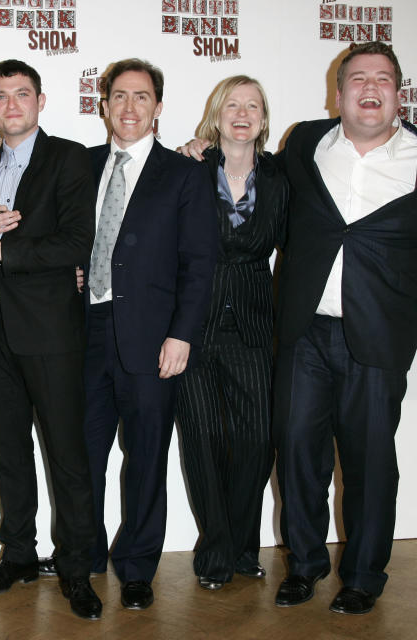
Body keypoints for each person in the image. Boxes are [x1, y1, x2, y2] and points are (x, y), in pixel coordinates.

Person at [270, 42, 417, 614]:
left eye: (383, 78)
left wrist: (406, 324)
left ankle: (362, 576)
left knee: (371, 464)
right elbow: (260, 191)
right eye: (357, 78)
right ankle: (304, 566)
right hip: (303, 333)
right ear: (339, 93)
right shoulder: (304, 142)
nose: (369, 88)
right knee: (299, 454)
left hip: (379, 343)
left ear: (398, 94)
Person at [0, 59, 102, 620]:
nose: (12, 104)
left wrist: (5, 252)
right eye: (1, 96)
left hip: (51, 330)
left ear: (41, 101)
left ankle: (76, 566)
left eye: (23, 94)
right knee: (10, 450)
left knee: (67, 454)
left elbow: (77, 241)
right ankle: (19, 554)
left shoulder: (70, 157)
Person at [82, 59, 218, 610]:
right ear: (104, 104)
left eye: (142, 97)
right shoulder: (80, 165)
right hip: (83, 333)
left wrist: (182, 334)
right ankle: (83, 552)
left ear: (158, 107)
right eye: (119, 96)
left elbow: (200, 262)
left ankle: (137, 564)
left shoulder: (183, 174)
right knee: (81, 454)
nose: (129, 107)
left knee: (146, 456)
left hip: (153, 336)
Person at [172, 75, 287, 592]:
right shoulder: (188, 169)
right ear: (215, 115)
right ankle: (216, 549)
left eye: (253, 106)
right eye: (232, 105)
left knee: (257, 439)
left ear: (264, 119)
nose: (242, 114)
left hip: (257, 320)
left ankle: (244, 542)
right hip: (193, 319)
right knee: (201, 437)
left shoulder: (283, 177)